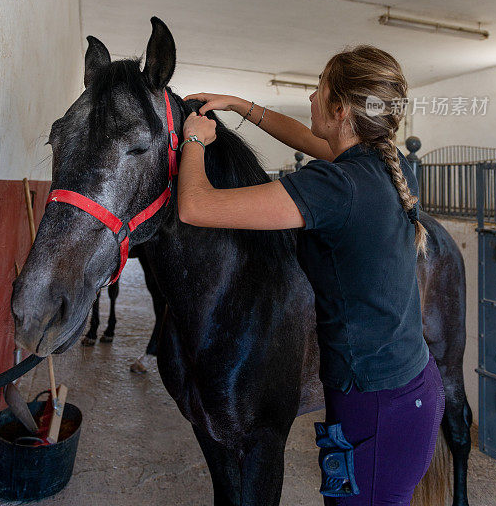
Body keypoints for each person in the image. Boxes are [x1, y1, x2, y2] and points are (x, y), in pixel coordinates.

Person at [178, 44, 445, 506]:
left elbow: (196, 206)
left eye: (318, 90)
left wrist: (196, 141)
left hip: (380, 409)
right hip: (392, 393)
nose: (310, 99)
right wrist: (241, 107)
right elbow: (306, 138)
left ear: (340, 109)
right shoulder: (385, 162)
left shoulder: (335, 187)